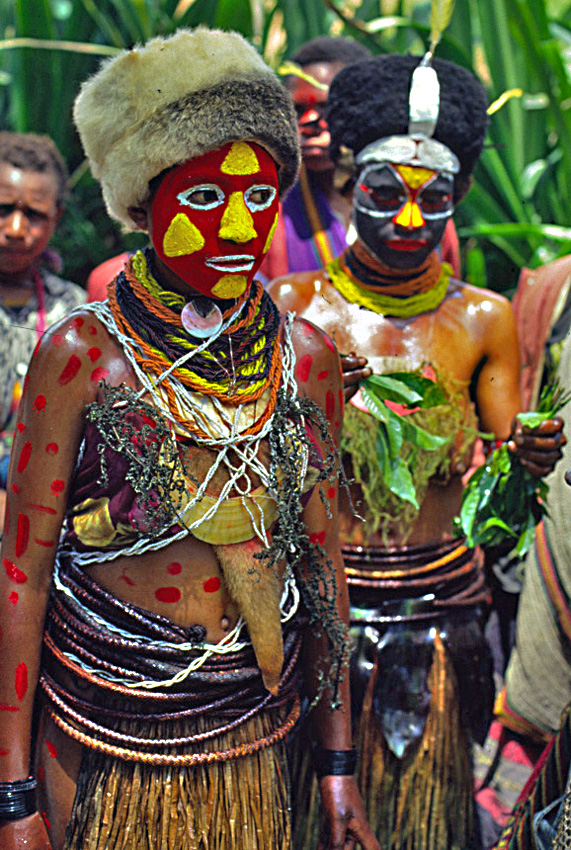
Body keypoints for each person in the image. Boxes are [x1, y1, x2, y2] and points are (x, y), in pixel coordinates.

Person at [0, 28, 377, 850]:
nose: (239, 224)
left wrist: (338, 766)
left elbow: (320, 566)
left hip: (253, 730)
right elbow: (21, 576)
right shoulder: (82, 358)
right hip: (100, 731)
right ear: (143, 206)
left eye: (257, 195)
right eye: (204, 198)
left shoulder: (302, 359)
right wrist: (12, 796)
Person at [269, 52, 564, 850]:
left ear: (457, 199)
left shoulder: (483, 319)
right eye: (383, 195)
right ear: (343, 182)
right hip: (321, 611)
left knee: (422, 823)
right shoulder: (293, 311)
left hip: (439, 617)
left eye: (431, 201)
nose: (407, 221)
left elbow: (505, 469)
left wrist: (527, 457)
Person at [260, 35, 460, 281]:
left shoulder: (425, 203)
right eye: (297, 110)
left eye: (329, 108)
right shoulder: (269, 211)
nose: (309, 122)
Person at [0, 132, 85, 517]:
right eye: (3, 209)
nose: (16, 228)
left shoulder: (70, 307)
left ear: (57, 218)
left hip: (36, 498)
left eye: (33, 214)